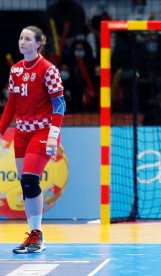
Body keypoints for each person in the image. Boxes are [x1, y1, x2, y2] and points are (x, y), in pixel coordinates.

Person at [0, 26, 66, 254]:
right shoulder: (16, 70)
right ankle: (33, 235)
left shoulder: (48, 69)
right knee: (25, 184)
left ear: (39, 43)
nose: (22, 42)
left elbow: (60, 105)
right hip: (21, 133)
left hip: (43, 132)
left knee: (29, 179)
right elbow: (11, 105)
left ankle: (37, 236)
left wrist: (53, 135)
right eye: (20, 38)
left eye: (27, 39)